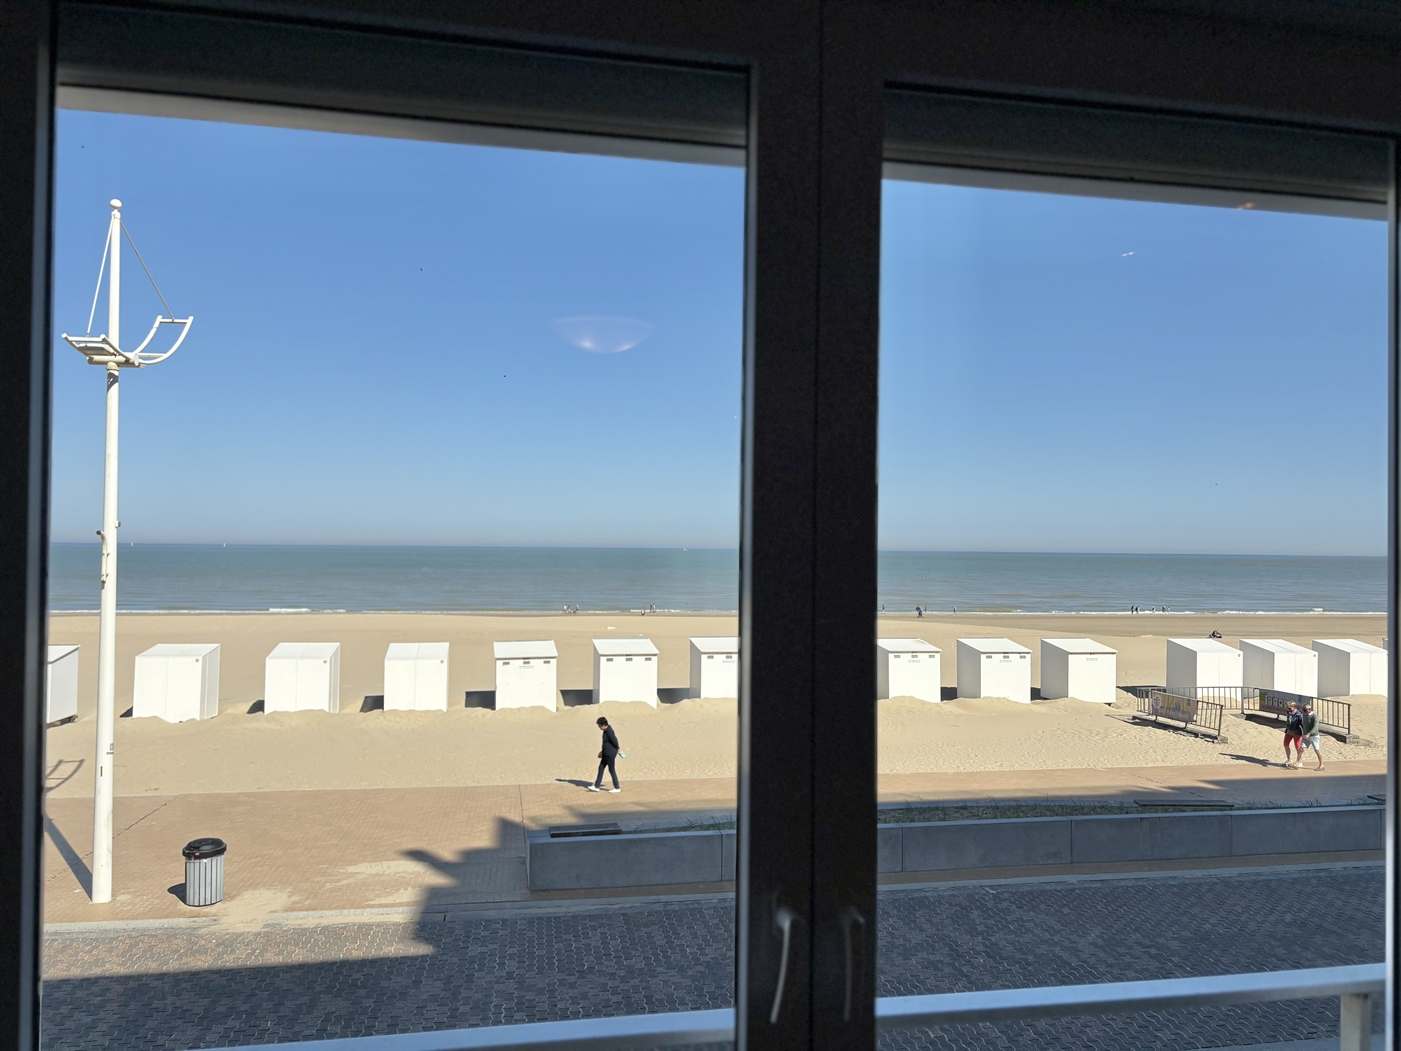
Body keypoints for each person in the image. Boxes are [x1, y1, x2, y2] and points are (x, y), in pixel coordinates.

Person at [588, 716, 622, 792]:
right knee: (601, 768)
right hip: (606, 754)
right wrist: (602, 751)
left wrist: (618, 748)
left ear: (603, 725)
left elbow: (615, 741)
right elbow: (607, 743)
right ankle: (597, 786)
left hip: (610, 754)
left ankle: (617, 787)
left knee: (611, 770)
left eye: (599, 726)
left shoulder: (609, 731)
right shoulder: (606, 731)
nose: (599, 727)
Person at [1299, 703, 1324, 771]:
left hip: (1314, 736)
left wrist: (1309, 734)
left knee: (1317, 750)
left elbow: (1315, 727)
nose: (1304, 711)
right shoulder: (1304, 715)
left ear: (1309, 709)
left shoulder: (1314, 717)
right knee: (1301, 749)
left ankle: (1321, 765)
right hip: (1305, 736)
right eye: (1303, 710)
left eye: (1305, 710)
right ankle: (1299, 763)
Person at [1282, 701, 1304, 768]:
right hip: (1289, 731)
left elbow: (1303, 725)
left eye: (1289, 708)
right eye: (1287, 708)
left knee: (1298, 747)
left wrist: (1304, 733)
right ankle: (1289, 759)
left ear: (1294, 707)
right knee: (1285, 744)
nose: (1288, 709)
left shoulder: (1299, 715)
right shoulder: (1288, 712)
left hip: (1297, 732)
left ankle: (1300, 762)